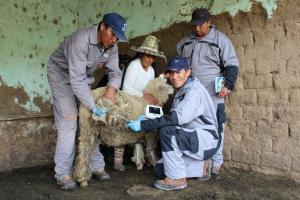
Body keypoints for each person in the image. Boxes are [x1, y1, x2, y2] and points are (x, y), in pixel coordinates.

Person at [47, 12, 127, 190]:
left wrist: (112, 89)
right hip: (61, 77)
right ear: (103, 26)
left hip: (82, 79)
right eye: (113, 34)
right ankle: (63, 174)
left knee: (91, 121)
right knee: (69, 123)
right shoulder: (80, 41)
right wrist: (93, 106)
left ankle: (96, 166)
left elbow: (115, 72)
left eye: (118, 38)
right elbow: (76, 81)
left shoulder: (111, 46)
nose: (114, 40)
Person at [127, 56, 220, 191]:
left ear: (188, 72)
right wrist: (146, 118)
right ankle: (202, 167)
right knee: (160, 169)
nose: (174, 77)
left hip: (205, 139)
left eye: (179, 72)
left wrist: (143, 125)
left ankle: (177, 179)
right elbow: (174, 117)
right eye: (171, 72)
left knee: (167, 132)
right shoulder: (182, 89)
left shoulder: (194, 91)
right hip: (191, 137)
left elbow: (175, 118)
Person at [177, 8, 239, 175]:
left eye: (200, 25)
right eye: (194, 25)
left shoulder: (220, 40)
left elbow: (232, 65)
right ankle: (196, 164)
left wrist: (228, 85)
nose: (197, 28)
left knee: (217, 125)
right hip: (190, 94)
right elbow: (179, 66)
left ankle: (216, 163)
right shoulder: (185, 43)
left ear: (209, 22)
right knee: (189, 125)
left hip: (213, 93)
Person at [113, 35, 166, 172]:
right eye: (148, 55)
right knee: (123, 128)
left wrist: (156, 100)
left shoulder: (152, 70)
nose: (150, 59)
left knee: (154, 122)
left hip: (142, 104)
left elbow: (149, 90)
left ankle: (149, 153)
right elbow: (126, 89)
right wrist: (144, 96)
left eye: (153, 57)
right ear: (141, 53)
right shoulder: (134, 66)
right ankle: (118, 160)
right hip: (127, 101)